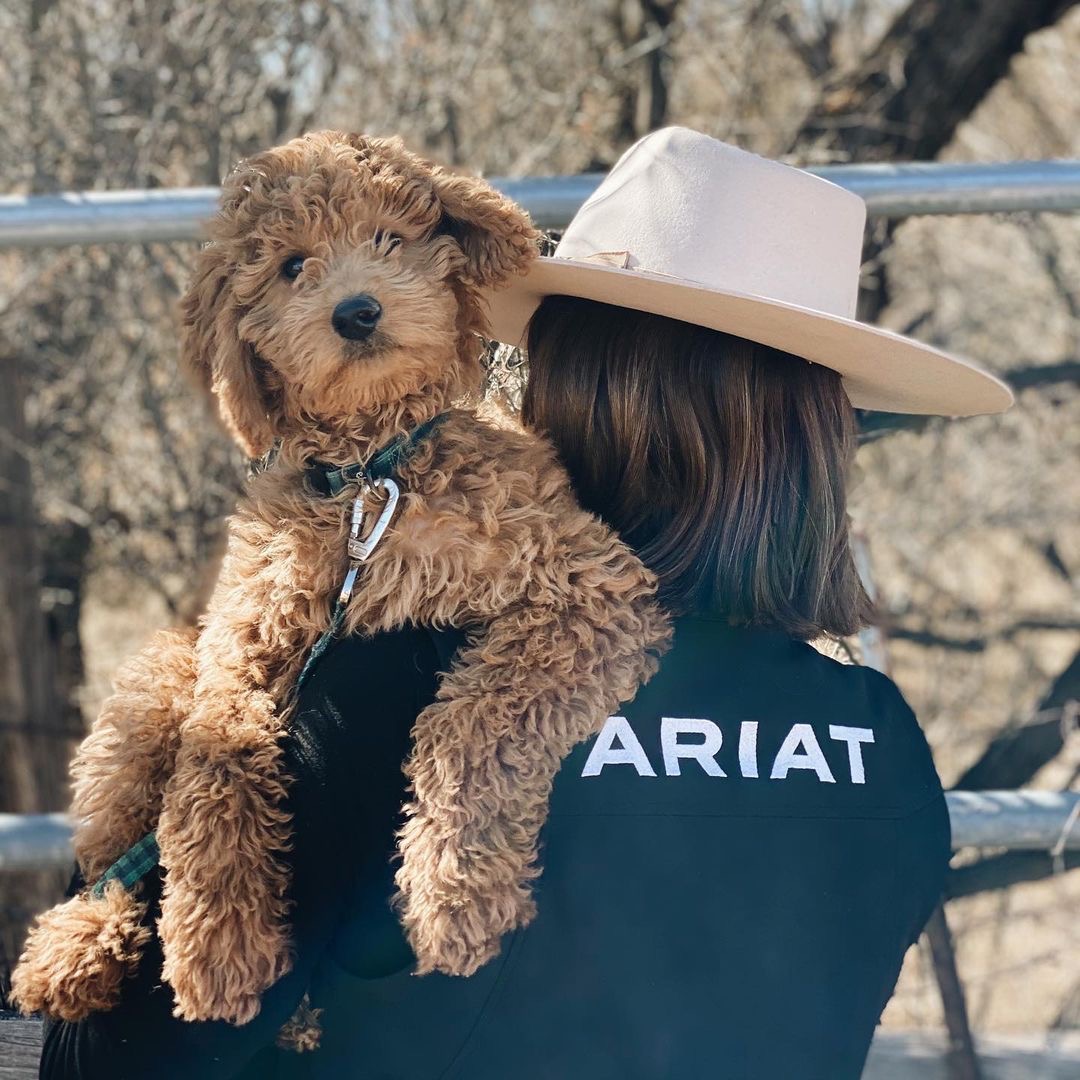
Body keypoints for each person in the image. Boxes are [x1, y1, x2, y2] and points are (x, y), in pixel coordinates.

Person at [40, 127, 1011, 1079]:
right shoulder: (883, 749)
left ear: (569, 383)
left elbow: (102, 1059)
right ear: (815, 441)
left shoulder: (393, 690)